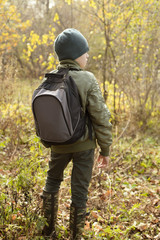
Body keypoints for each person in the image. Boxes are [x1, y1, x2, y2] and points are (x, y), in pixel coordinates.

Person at [41, 28, 112, 240]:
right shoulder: (88, 79)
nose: (88, 55)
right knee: (79, 192)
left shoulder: (50, 79)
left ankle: (47, 231)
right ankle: (75, 236)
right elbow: (101, 117)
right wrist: (105, 148)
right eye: (84, 51)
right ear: (75, 55)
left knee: (52, 182)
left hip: (58, 144)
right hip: (84, 147)